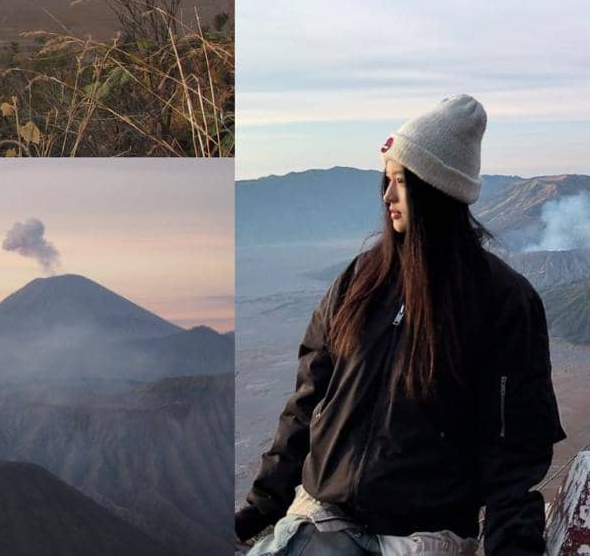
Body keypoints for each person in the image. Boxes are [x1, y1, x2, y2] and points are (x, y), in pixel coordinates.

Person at [235, 95, 567, 556]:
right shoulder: (360, 280)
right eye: (386, 180)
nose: (387, 196)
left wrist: (513, 546)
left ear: (437, 189)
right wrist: (258, 509)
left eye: (402, 182)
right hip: (322, 517)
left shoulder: (502, 302)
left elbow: (515, 451)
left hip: (420, 539)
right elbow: (307, 402)